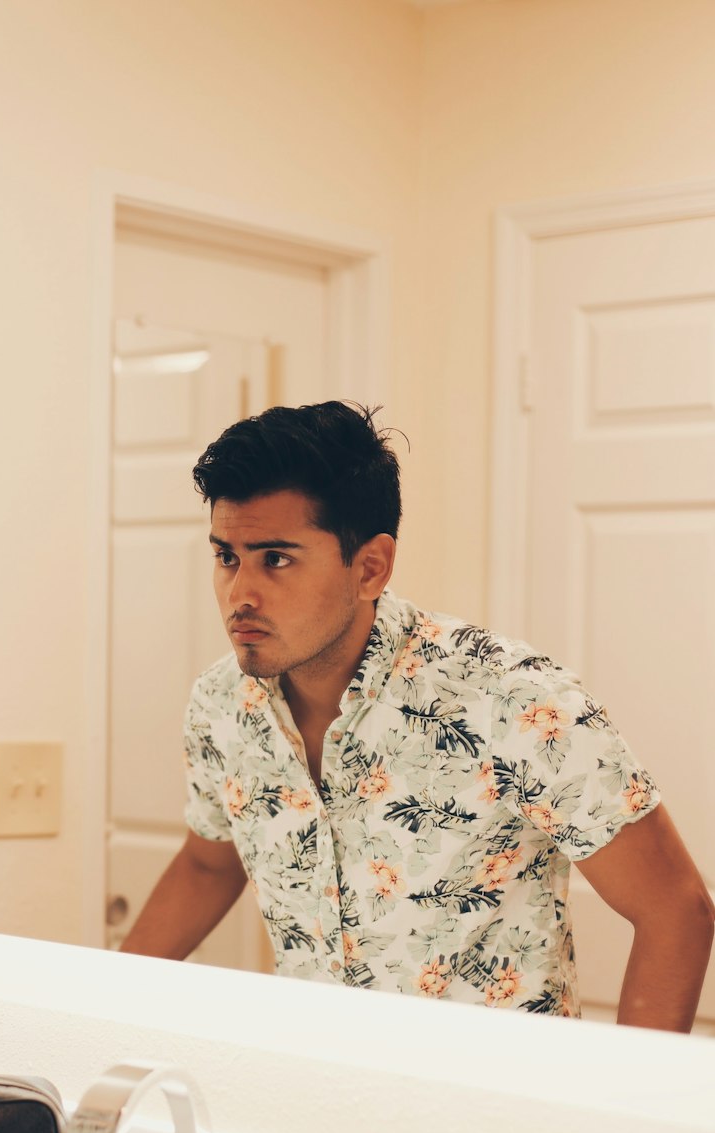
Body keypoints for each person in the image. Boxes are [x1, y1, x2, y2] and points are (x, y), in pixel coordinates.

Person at [121, 401, 713, 1031]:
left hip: (494, 1102)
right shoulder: (220, 705)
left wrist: (622, 1108)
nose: (240, 593)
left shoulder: (507, 696)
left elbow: (674, 909)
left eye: (277, 558)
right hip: (314, 1081)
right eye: (226, 557)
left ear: (370, 567)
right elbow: (209, 864)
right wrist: (97, 1007)